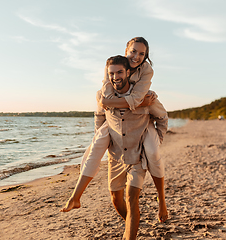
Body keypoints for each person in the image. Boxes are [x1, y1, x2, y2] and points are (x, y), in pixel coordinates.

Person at [62, 37, 168, 223]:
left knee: (152, 151)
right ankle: (76, 197)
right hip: (112, 122)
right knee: (94, 149)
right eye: (133, 51)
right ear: (126, 50)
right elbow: (104, 99)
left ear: (146, 56)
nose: (136, 56)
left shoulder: (146, 70)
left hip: (142, 119)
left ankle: (162, 199)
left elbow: (137, 100)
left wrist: (157, 132)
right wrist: (104, 112)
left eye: (142, 53)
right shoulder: (112, 67)